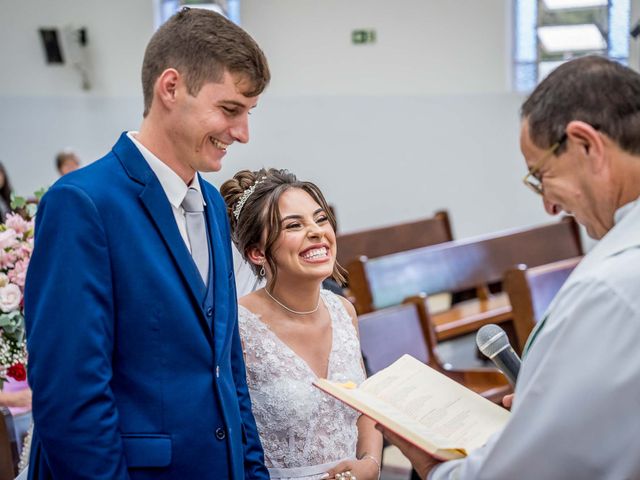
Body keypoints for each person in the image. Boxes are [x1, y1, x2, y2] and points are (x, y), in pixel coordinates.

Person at [24, 8, 270, 480]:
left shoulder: (214, 204)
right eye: (230, 110)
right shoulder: (83, 204)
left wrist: (251, 471)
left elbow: (227, 366)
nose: (242, 134)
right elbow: (70, 395)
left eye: (248, 114)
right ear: (171, 87)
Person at [382, 55, 640, 479]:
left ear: (586, 145)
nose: (550, 205)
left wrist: (437, 471)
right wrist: (549, 408)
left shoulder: (610, 288)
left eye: (542, 176)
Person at [221, 168, 383, 480]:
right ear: (256, 252)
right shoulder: (238, 326)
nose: (316, 231)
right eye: (294, 225)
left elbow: (366, 408)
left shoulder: (343, 311)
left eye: (320, 219)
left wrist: (370, 464)